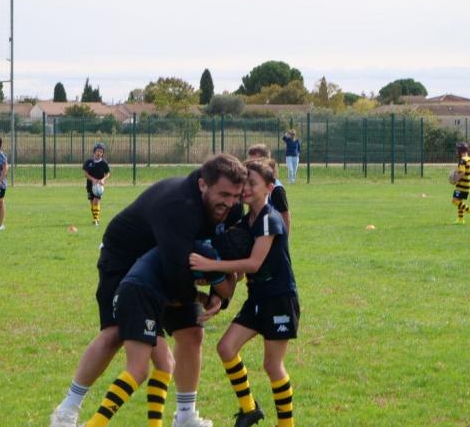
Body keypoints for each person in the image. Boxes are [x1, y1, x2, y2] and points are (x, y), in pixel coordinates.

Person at [50, 153, 248, 427]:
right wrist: (198, 296)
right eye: (224, 194)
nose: (229, 203)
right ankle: (66, 411)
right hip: (125, 259)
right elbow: (175, 270)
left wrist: (217, 295)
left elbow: (224, 253)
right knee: (114, 333)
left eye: (236, 196)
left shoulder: (230, 206)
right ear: (203, 184)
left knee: (192, 333)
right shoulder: (180, 205)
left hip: (166, 261)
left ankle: (186, 416)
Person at [82, 228, 252, 427]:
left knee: (165, 364)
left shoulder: (202, 250)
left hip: (137, 293)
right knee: (138, 370)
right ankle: (94, 424)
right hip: (138, 298)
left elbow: (173, 293)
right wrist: (225, 278)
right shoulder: (209, 257)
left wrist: (200, 295)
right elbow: (224, 289)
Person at [190, 159, 300, 427]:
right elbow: (237, 261)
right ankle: (249, 409)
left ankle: (286, 425)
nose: (246, 188)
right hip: (257, 298)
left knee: (272, 366)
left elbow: (253, 263)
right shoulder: (243, 219)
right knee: (226, 347)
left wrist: (210, 266)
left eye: (253, 183)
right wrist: (217, 290)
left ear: (269, 188)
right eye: (245, 182)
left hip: (279, 299)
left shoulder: (269, 219)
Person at [247, 144, 291, 234]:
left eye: (256, 161)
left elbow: (285, 215)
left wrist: (285, 239)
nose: (251, 166)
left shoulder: (276, 188)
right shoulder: (251, 186)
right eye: (250, 162)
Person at [83, 143, 111, 226]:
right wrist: (93, 179)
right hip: (90, 185)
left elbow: (108, 173)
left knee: (96, 201)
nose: (99, 153)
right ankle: (95, 217)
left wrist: (103, 180)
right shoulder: (89, 162)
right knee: (92, 202)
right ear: (94, 152)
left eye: (101, 152)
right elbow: (85, 174)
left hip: (99, 185)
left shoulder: (103, 163)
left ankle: (95, 220)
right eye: (98, 151)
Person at [451, 142, 470, 224]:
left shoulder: (462, 161)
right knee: (460, 201)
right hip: (467, 185)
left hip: (461, 186)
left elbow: (462, 172)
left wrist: (456, 179)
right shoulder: (469, 159)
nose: (457, 152)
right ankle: (460, 220)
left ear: (460, 151)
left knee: (454, 201)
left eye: (458, 150)